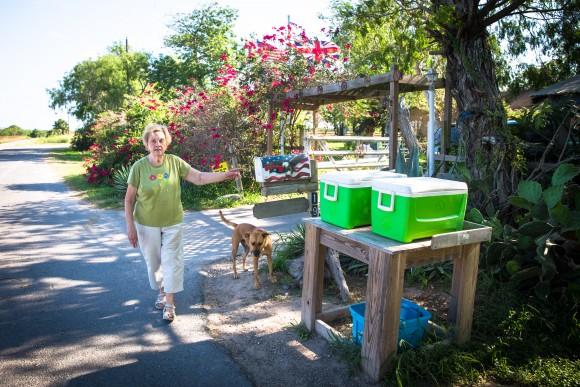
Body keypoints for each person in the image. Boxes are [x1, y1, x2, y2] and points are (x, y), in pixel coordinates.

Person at [124, 123, 240, 322]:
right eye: (153, 141)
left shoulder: (175, 162)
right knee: (154, 264)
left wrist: (224, 175)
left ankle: (169, 302)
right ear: (146, 144)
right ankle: (161, 291)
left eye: (161, 140)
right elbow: (129, 199)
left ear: (166, 143)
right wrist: (130, 227)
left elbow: (200, 177)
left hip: (172, 222)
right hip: (146, 223)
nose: (158, 144)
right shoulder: (139, 167)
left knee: (171, 261)